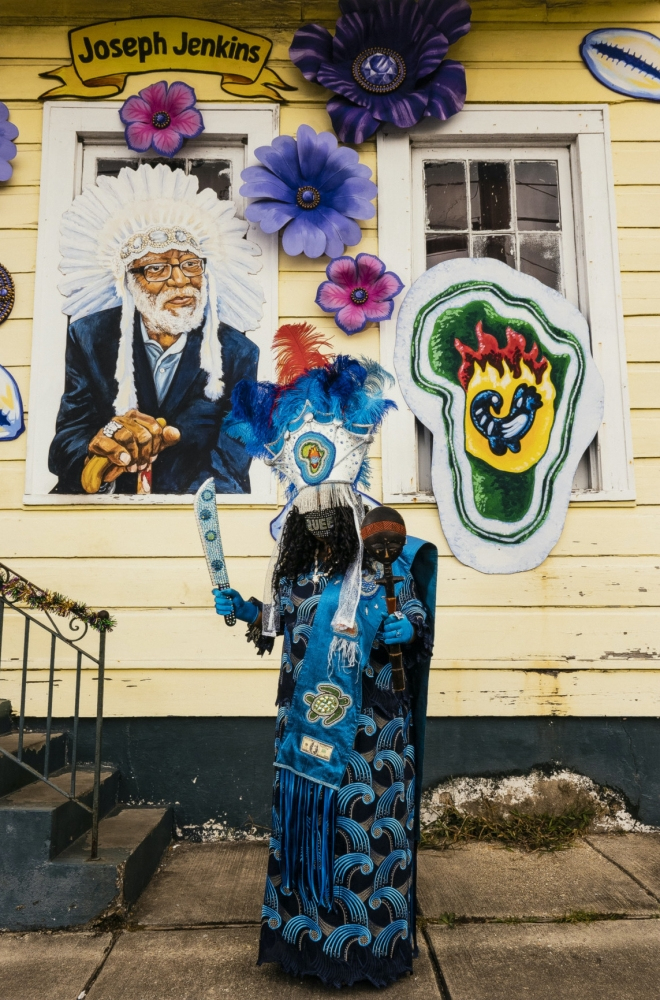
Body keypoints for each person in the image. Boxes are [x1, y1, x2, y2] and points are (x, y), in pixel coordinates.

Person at [211, 329, 438, 988]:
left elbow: (411, 623)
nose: (312, 526)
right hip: (299, 735)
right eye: (302, 516)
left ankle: (364, 952)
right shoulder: (296, 572)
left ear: (346, 507)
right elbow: (279, 626)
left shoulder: (386, 559)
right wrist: (245, 608)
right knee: (306, 838)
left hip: (370, 738)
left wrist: (401, 627)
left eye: (323, 516)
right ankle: (305, 945)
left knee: (359, 843)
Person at [50, 162, 263, 495]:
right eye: (157, 268)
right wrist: (100, 453)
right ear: (128, 282)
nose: (180, 281)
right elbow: (66, 444)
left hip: (194, 518)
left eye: (190, 264)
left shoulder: (237, 353)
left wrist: (165, 520)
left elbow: (230, 465)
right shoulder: (90, 338)